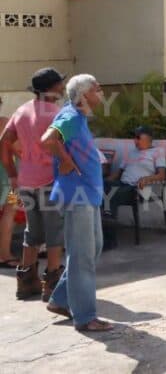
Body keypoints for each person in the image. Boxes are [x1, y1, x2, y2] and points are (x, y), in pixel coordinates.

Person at [41, 74, 113, 332]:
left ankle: (60, 299)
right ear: (84, 95)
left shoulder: (78, 117)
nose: (101, 91)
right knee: (82, 255)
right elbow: (48, 140)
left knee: (92, 250)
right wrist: (65, 160)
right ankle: (85, 317)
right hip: (77, 195)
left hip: (87, 195)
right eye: (97, 88)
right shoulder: (70, 117)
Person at [1, 68, 65, 300]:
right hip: (50, 181)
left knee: (33, 231)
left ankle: (26, 284)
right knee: (55, 232)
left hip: (25, 180)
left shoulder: (22, 110)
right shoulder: (57, 113)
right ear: (51, 88)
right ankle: (53, 285)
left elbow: (4, 142)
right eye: (59, 84)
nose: (62, 87)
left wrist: (12, 173)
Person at [103, 126, 166, 247]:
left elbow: (161, 175)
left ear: (148, 138)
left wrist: (147, 179)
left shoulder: (158, 152)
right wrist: (102, 182)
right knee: (101, 189)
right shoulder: (131, 153)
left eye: (138, 138)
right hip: (122, 184)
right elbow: (118, 174)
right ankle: (100, 234)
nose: (135, 141)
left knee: (109, 196)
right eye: (135, 138)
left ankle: (109, 241)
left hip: (136, 188)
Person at [0, 97, 17, 269]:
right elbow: (17, 148)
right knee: (9, 212)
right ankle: (4, 254)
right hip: (6, 176)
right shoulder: (4, 123)